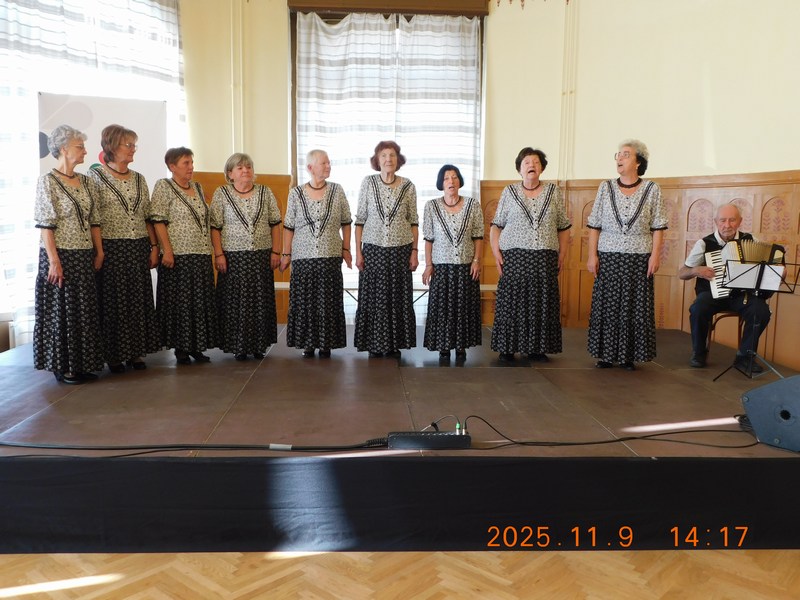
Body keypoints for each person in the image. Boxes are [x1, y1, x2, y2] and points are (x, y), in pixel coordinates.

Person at [587, 139, 667, 370]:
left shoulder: (652, 189)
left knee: (634, 306)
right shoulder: (605, 187)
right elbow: (594, 225)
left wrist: (655, 256)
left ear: (638, 162)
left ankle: (627, 356)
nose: (620, 158)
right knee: (608, 305)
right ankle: (605, 354)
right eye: (618, 155)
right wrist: (592, 255)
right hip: (608, 255)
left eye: (626, 154)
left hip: (639, 256)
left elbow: (658, 226)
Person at [33, 125, 104, 384]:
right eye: (79, 146)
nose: (85, 151)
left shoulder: (87, 181)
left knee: (83, 311)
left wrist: (99, 251)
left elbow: (94, 220)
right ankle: (64, 367)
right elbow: (46, 225)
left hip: (83, 254)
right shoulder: (48, 181)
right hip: (60, 254)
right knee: (61, 311)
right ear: (63, 149)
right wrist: (54, 261)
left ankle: (82, 363)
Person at [87, 124, 160, 373]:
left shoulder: (139, 178)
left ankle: (136, 352)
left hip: (138, 245)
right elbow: (94, 219)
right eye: (128, 145)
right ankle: (115, 355)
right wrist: (99, 251)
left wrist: (153, 246)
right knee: (114, 302)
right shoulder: (95, 177)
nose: (133, 149)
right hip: (111, 246)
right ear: (111, 147)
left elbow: (147, 216)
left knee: (137, 300)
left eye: (134, 145)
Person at [490, 148, 571, 362]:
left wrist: (562, 254)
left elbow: (563, 226)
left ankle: (537, 348)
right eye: (526, 162)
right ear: (519, 168)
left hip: (545, 257)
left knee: (541, 303)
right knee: (512, 302)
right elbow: (496, 225)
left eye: (536, 162)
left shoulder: (553, 192)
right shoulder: (509, 191)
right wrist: (496, 252)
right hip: (515, 257)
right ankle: (507, 347)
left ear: (542, 168)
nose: (531, 165)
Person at [678, 204, 771, 372]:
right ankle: (699, 353)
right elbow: (682, 273)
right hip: (712, 295)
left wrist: (776, 272)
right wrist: (696, 270)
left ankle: (744, 357)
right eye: (722, 220)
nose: (727, 225)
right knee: (698, 308)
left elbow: (766, 270)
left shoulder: (752, 241)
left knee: (761, 311)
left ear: (740, 221)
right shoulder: (704, 243)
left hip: (741, 296)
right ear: (716, 221)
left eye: (732, 220)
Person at [280, 150, 352, 357]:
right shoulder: (296, 193)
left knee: (328, 301)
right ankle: (308, 343)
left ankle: (326, 343)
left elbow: (346, 222)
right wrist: (286, 254)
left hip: (330, 255)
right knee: (305, 302)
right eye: (324, 163)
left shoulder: (337, 190)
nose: (328, 166)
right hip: (303, 257)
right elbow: (289, 227)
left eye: (329, 163)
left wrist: (346, 248)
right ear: (310, 168)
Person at [210, 153, 282, 360]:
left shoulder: (265, 192)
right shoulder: (221, 193)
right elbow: (215, 227)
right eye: (240, 168)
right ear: (230, 173)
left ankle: (259, 345)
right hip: (232, 258)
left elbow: (275, 223)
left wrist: (276, 251)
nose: (245, 171)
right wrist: (218, 254)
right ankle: (238, 346)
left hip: (261, 256)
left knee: (260, 301)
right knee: (235, 303)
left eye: (248, 167)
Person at [150, 147, 218, 364]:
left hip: (201, 253)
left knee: (199, 302)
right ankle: (181, 348)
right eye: (185, 163)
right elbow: (158, 220)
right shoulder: (164, 186)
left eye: (191, 162)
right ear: (172, 166)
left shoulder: (197, 187)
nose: (191, 167)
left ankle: (196, 346)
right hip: (178, 255)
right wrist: (167, 250)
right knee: (180, 303)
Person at [354, 140, 419, 358]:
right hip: (373, 250)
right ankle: (373, 342)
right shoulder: (368, 183)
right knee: (374, 296)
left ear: (398, 160)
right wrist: (358, 252)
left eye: (392, 155)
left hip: (401, 250)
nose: (388, 159)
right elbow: (360, 220)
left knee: (397, 296)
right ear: (377, 160)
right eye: (383, 155)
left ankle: (394, 343)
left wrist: (414, 251)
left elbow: (413, 221)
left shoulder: (408, 186)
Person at [422, 164, 484, 361]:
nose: (451, 181)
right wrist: (428, 265)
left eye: (454, 177)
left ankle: (461, 346)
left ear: (460, 181)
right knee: (443, 309)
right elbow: (429, 239)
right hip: (441, 267)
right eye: (447, 178)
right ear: (441, 183)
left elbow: (478, 236)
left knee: (464, 308)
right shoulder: (431, 206)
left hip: (466, 266)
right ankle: (444, 346)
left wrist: (476, 260)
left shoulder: (473, 205)